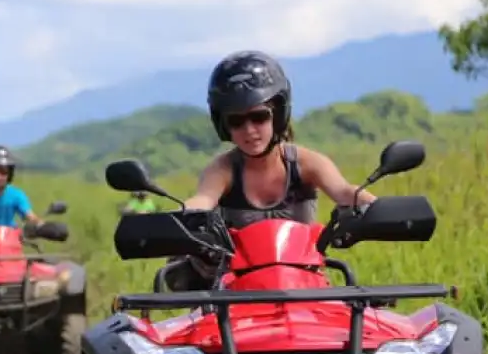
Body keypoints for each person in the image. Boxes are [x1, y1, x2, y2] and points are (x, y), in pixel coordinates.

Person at [158, 50, 377, 291]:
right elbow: (203, 198)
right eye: (236, 121)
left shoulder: (306, 163)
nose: (249, 129)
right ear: (223, 125)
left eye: (259, 117)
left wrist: (379, 208)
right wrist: (179, 219)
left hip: (304, 286)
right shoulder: (223, 169)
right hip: (237, 291)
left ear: (278, 114)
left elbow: (344, 191)